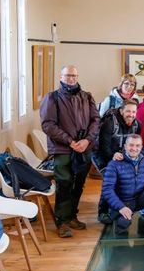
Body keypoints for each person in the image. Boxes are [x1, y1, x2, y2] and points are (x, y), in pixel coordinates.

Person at [40, 65, 100, 238]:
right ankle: (62, 222)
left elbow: (96, 120)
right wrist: (70, 142)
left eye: (74, 75)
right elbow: (48, 125)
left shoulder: (86, 96)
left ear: (77, 77)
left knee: (78, 183)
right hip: (63, 149)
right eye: (67, 76)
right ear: (61, 77)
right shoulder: (52, 98)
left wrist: (87, 140)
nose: (71, 79)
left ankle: (72, 215)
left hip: (84, 147)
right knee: (64, 182)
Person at [101, 134, 144, 237]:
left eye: (137, 146)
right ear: (125, 146)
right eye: (131, 145)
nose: (134, 148)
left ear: (141, 147)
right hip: (122, 202)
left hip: (138, 199)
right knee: (123, 223)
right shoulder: (114, 164)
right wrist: (121, 207)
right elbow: (107, 190)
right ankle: (119, 234)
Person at [95, 100, 140, 224]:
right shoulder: (110, 123)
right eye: (128, 111)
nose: (131, 114)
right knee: (110, 180)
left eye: (134, 112)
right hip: (103, 155)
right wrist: (112, 155)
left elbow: (135, 144)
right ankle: (102, 212)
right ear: (121, 111)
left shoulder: (137, 125)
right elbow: (103, 147)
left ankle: (117, 208)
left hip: (121, 156)